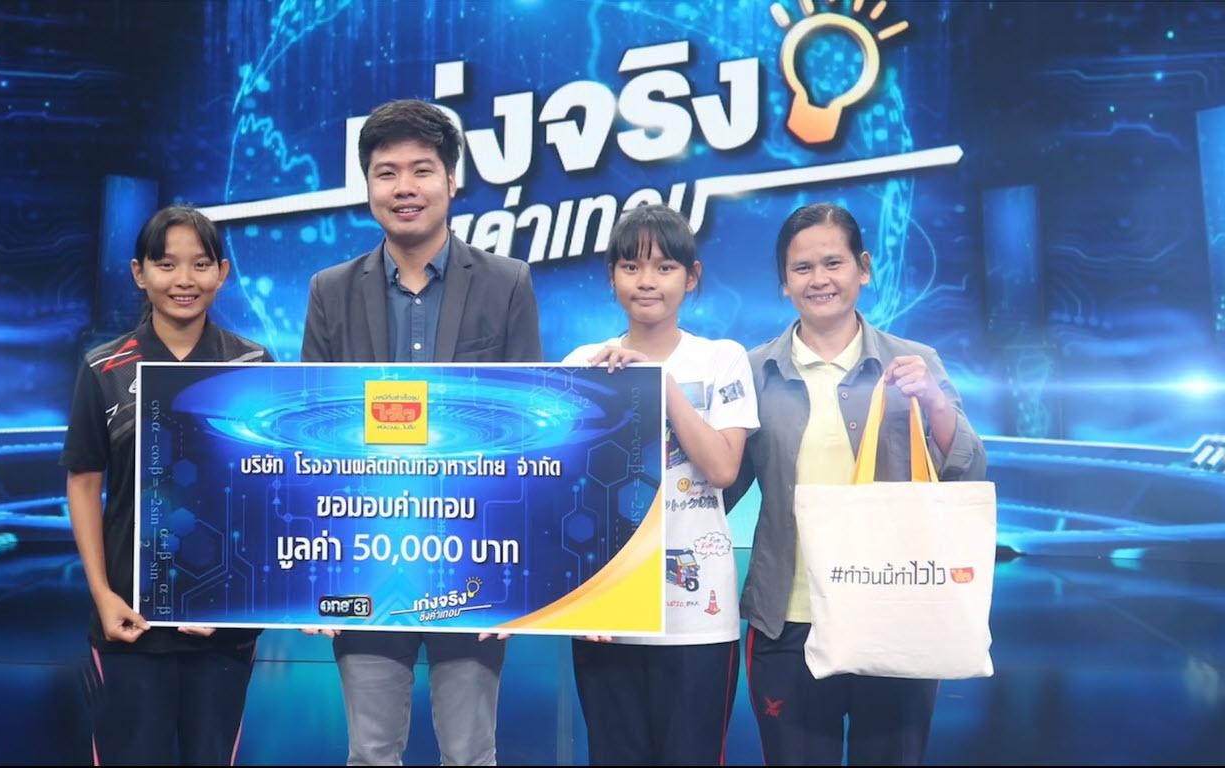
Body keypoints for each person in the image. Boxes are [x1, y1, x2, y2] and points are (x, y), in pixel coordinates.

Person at [300, 98, 542, 766]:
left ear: (452, 181)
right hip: (361, 556)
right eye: (387, 173)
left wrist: (517, 582)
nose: (404, 187)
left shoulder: (507, 283)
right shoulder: (329, 290)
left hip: (475, 559)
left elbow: (526, 434)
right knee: (371, 753)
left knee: (470, 754)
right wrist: (314, 578)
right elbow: (310, 437)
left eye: (422, 170)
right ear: (368, 187)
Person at [724, 201, 987, 766]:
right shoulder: (754, 372)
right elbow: (721, 484)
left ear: (863, 268)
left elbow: (967, 471)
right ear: (784, 283)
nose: (819, 279)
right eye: (802, 268)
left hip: (896, 612)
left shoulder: (915, 361)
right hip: (789, 620)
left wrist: (935, 402)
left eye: (833, 263)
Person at [61, 205, 273, 765]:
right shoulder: (104, 369)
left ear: (222, 273)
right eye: (166, 264)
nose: (184, 280)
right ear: (139, 273)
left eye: (200, 264)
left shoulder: (253, 364)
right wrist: (103, 594)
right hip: (129, 621)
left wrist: (239, 601)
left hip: (223, 628)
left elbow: (267, 494)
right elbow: (83, 482)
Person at [562, 203, 758, 765]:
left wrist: (658, 384)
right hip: (607, 614)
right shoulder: (583, 362)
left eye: (664, 267)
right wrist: (579, 602)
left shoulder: (721, 360)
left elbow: (722, 469)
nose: (646, 281)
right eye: (631, 266)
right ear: (612, 277)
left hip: (697, 618)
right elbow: (567, 495)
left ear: (691, 278)